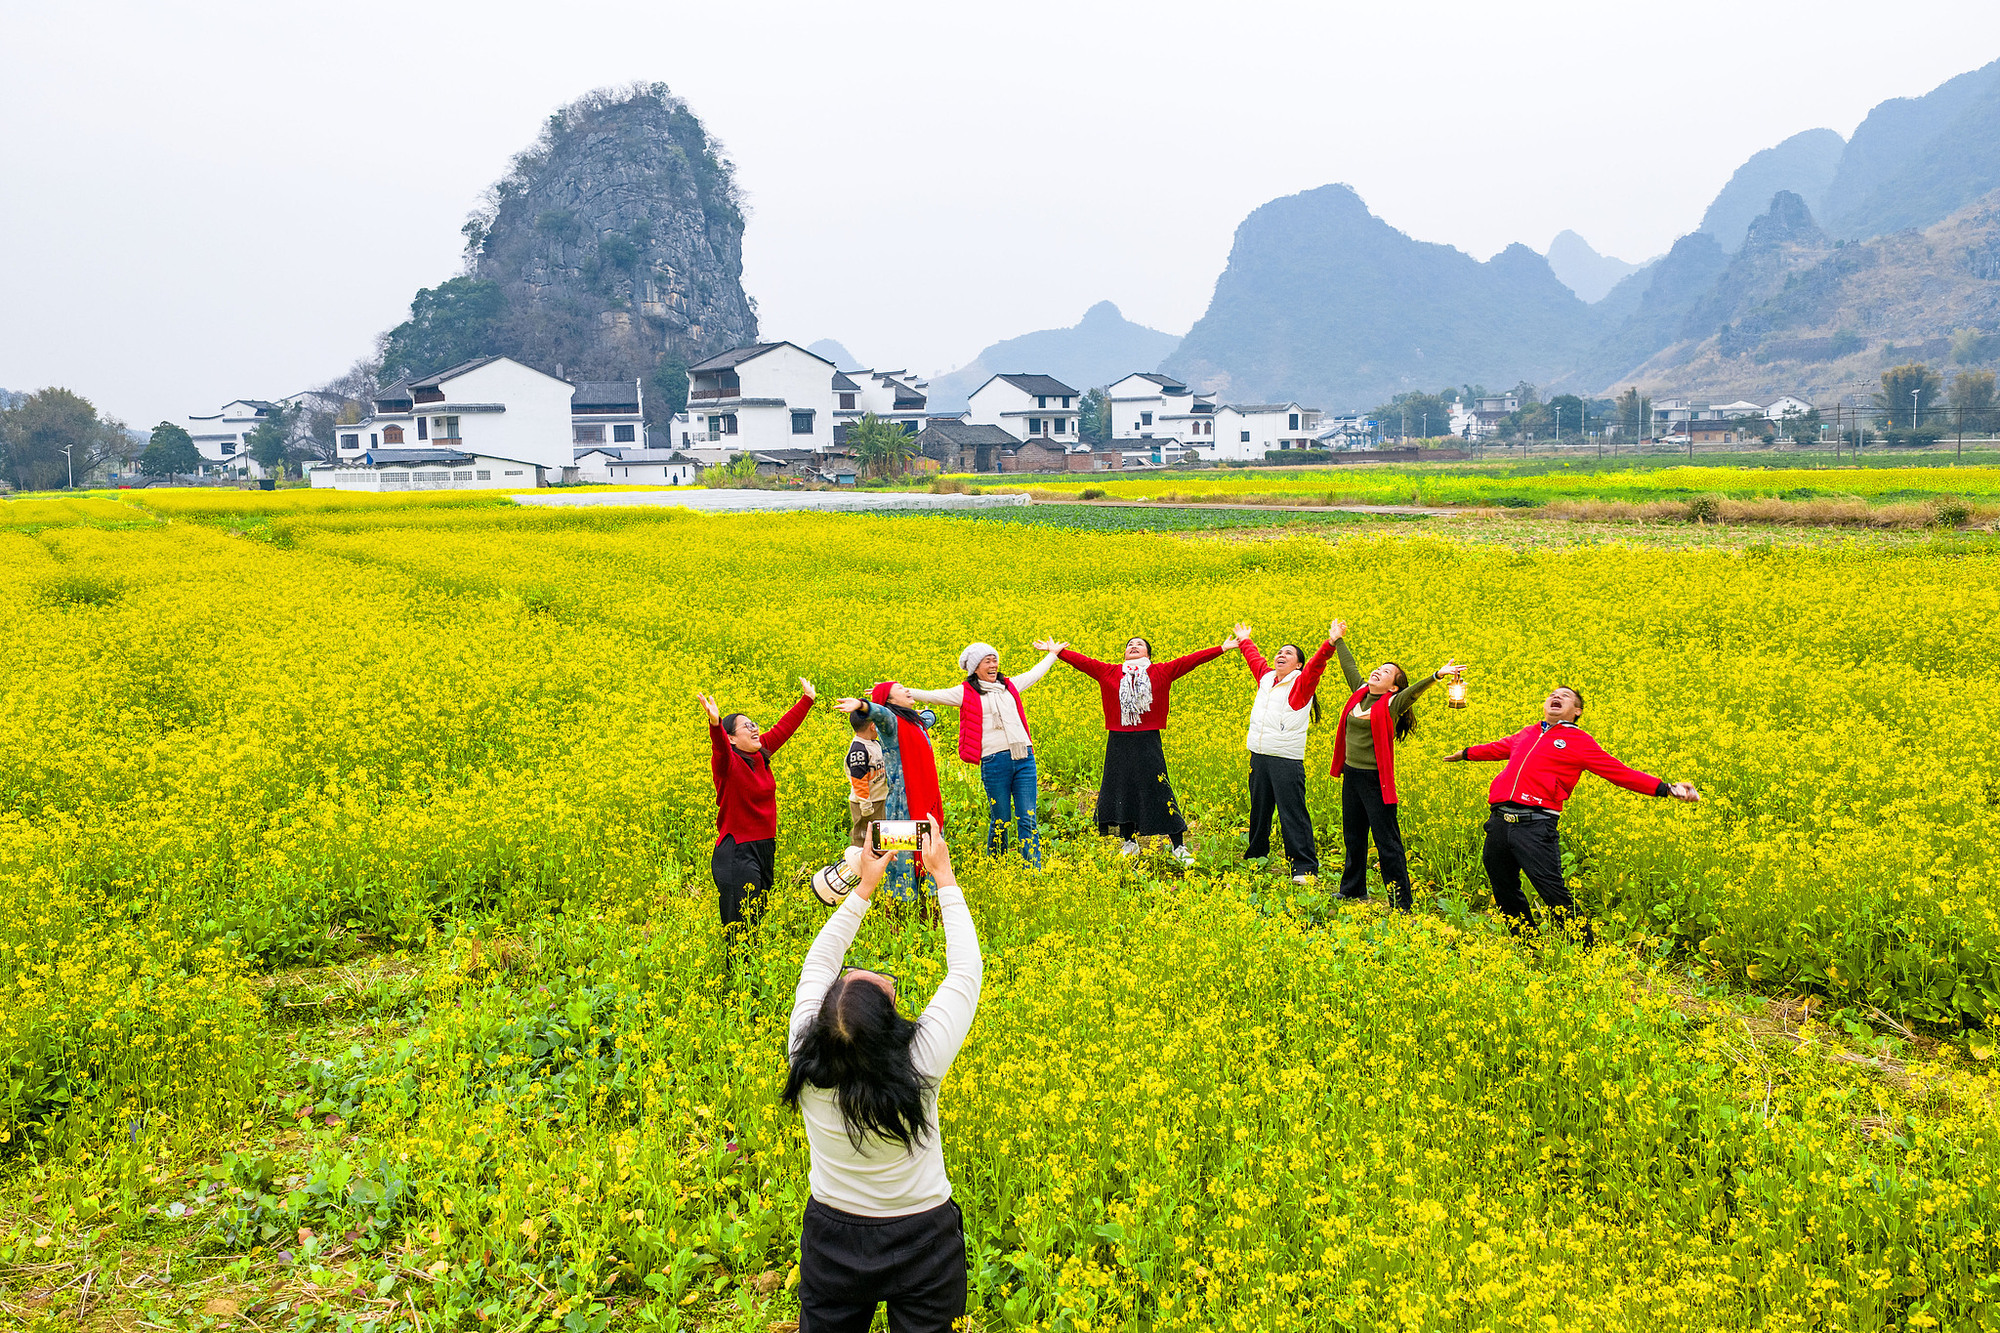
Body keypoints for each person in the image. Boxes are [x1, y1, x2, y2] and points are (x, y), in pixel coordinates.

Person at [785, 829, 979, 1333]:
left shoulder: (806, 1059)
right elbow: (964, 974)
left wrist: (862, 891)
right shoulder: (918, 1062)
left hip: (833, 1238)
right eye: (881, 986)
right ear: (892, 1029)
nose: (880, 976)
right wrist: (945, 878)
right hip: (923, 1240)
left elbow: (817, 964)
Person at [1445, 683, 1700, 940]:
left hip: (1535, 824)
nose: (1556, 696)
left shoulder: (1580, 741)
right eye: (1553, 694)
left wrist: (1665, 789)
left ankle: (1584, 948)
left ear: (1576, 711)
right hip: (1499, 822)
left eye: (1565, 696)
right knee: (1503, 888)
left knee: (1552, 892)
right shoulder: (1529, 733)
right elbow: (1498, 748)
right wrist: (1466, 754)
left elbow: (1619, 772)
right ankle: (1525, 941)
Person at [1056, 633, 1228, 863]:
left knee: (1159, 789)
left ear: (1148, 653)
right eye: (1129, 645)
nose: (1133, 646)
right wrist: (1058, 652)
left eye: (1139, 645)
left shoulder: (1160, 672)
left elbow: (1191, 660)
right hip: (1118, 740)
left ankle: (1178, 846)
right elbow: (1084, 663)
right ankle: (1129, 842)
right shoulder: (1110, 672)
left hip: (1148, 740)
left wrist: (1222, 648)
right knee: (1122, 789)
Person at [1328, 622, 1462, 911]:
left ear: (1393, 686)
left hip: (1376, 780)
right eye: (1379, 667)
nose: (1378, 670)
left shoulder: (1391, 704)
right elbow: (1349, 667)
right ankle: (1352, 889)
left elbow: (1413, 692)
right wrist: (1338, 640)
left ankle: (1401, 902)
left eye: (1387, 672)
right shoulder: (1360, 692)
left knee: (1387, 842)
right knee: (1353, 835)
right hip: (1352, 774)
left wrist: (1437, 676)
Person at [906, 638, 1066, 866]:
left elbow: (1034, 674)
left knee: (1028, 818)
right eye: (987, 661)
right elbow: (933, 695)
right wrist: (897, 691)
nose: (993, 665)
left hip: (1024, 759)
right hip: (994, 762)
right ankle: (997, 865)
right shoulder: (965, 693)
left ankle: (1033, 869)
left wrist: (1053, 654)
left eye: (995, 660)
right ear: (975, 668)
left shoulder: (1009, 686)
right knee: (1001, 818)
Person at [699, 679, 816, 931]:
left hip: (765, 846)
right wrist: (715, 724)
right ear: (732, 738)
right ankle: (737, 971)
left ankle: (748, 969)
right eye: (746, 726)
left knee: (757, 918)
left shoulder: (760, 755)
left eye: (754, 724)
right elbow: (719, 748)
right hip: (737, 851)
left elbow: (783, 729)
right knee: (740, 926)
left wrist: (807, 699)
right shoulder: (728, 765)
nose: (754, 729)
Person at [1225, 621, 1333, 883]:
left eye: (1288, 653)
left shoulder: (1301, 684)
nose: (1281, 655)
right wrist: (1244, 639)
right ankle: (1255, 857)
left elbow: (1316, 665)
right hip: (1259, 755)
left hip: (1285, 759)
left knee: (1292, 813)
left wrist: (1330, 643)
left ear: (1298, 665)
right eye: (1279, 652)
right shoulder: (1266, 678)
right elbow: (1254, 659)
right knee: (1259, 811)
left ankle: (1304, 869)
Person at [832, 682, 944, 902]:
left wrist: (916, 712)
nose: (907, 690)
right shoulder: (891, 724)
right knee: (902, 862)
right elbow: (881, 713)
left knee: (930, 851)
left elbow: (931, 716)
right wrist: (864, 705)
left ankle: (927, 909)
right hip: (901, 805)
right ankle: (897, 914)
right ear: (891, 701)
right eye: (900, 688)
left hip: (926, 798)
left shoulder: (915, 723)